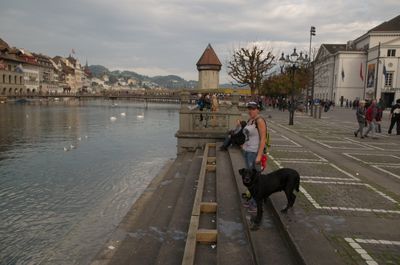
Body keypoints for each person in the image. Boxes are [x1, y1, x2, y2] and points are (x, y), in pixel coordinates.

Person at [242, 101, 267, 212]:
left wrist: (259, 155)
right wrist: (244, 144)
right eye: (249, 108)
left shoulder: (260, 121)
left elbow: (263, 139)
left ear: (258, 109)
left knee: (256, 179)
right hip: (248, 151)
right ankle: (252, 200)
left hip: (254, 153)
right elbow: (248, 136)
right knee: (250, 179)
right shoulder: (250, 120)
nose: (250, 110)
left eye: (253, 108)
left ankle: (256, 203)